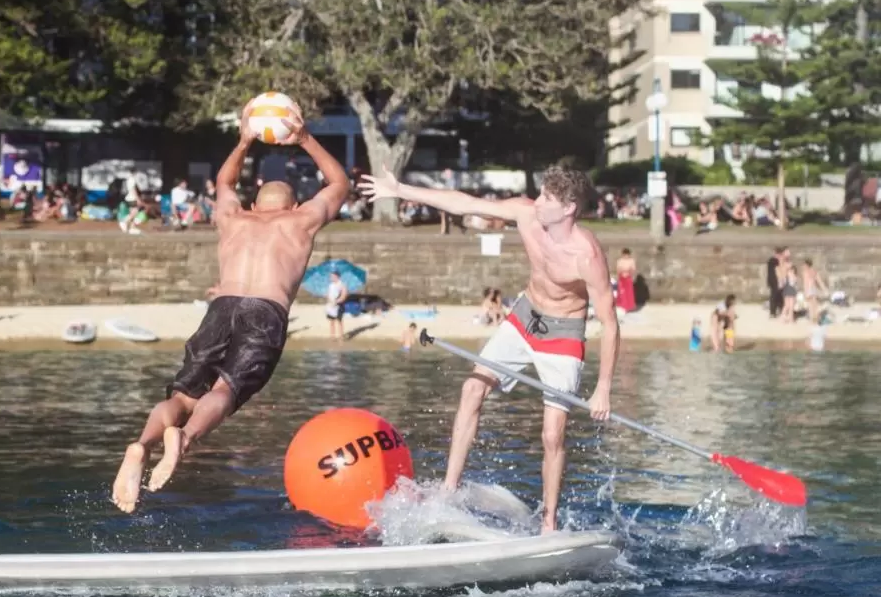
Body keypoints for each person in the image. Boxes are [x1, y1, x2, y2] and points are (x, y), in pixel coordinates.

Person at [112, 101, 350, 514]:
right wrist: (305, 138)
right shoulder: (301, 221)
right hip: (266, 311)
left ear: (253, 207)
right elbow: (339, 183)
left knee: (185, 394)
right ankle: (184, 440)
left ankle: (143, 444)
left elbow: (224, 182)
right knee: (225, 390)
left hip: (221, 306)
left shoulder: (233, 218)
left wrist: (242, 143)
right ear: (293, 207)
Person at [359, 164, 619, 534]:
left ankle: (548, 522)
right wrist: (400, 189)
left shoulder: (586, 256)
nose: (538, 201)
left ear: (569, 208)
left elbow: (610, 324)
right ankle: (448, 491)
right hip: (522, 318)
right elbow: (466, 203)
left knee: (551, 434)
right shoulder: (527, 215)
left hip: (563, 336)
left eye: (547, 197)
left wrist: (603, 387)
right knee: (471, 388)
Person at [325, 271, 348, 341]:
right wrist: (329, 300)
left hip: (339, 305)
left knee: (339, 321)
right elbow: (328, 294)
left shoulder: (342, 285)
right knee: (332, 321)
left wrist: (336, 302)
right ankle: (332, 336)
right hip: (331, 305)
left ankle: (341, 336)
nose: (331, 278)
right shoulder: (330, 285)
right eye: (331, 276)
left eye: (332, 276)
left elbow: (344, 296)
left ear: (337, 276)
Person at [614, 248, 637, 313]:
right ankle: (622, 306)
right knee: (622, 293)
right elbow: (618, 269)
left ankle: (628, 307)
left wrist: (629, 273)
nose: (626, 256)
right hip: (621, 277)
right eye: (625, 255)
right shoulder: (619, 261)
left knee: (628, 293)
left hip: (628, 277)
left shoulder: (631, 261)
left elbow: (633, 269)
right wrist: (621, 273)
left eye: (627, 255)